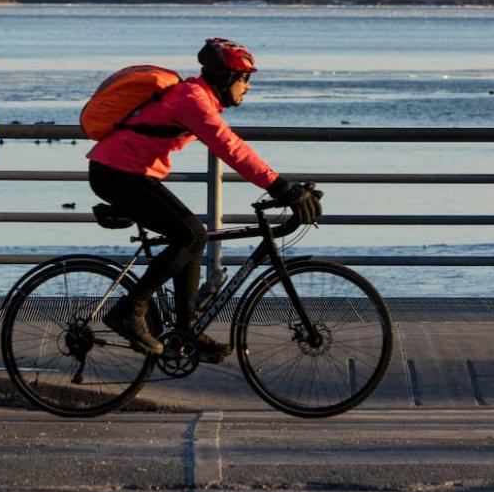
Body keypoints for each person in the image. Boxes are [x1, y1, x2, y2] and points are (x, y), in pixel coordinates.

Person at [87, 38, 321, 361]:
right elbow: (229, 146)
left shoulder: (197, 99)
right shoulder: (192, 100)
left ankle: (185, 332)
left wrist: (284, 186)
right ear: (226, 78)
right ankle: (130, 311)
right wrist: (281, 187)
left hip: (128, 173)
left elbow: (229, 145)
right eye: (245, 79)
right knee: (192, 234)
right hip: (117, 173)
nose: (248, 87)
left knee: (192, 237)